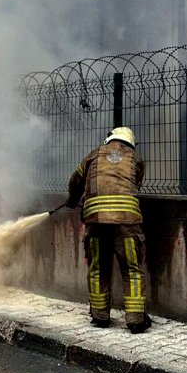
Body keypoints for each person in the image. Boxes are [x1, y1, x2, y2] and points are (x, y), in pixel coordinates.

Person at [66, 127, 150, 333]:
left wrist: (72, 201)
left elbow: (75, 181)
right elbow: (135, 185)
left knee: (98, 269)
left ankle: (100, 316)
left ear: (109, 139)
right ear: (130, 142)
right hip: (127, 223)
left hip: (96, 222)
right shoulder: (136, 159)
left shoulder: (93, 155)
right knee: (132, 270)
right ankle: (136, 320)